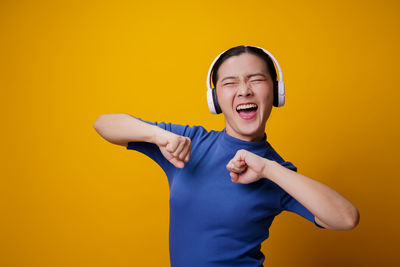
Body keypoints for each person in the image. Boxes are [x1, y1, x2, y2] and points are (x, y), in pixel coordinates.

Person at [93, 45, 360, 267]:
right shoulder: (189, 142)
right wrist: (158, 136)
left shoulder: (277, 172)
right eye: (230, 83)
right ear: (216, 100)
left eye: (256, 79)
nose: (244, 90)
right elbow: (104, 124)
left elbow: (346, 218)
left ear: (276, 93)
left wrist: (268, 169)